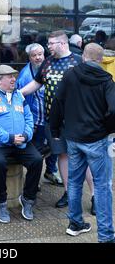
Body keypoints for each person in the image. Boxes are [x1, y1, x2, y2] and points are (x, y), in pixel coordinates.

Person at [20, 31, 95, 212]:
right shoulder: (48, 62)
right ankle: (69, 193)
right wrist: (17, 94)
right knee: (63, 155)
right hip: (53, 121)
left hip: (78, 120)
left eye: (51, 44)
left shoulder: (79, 61)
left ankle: (95, 196)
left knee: (83, 157)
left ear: (62, 43)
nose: (49, 47)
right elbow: (37, 83)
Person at [50, 43, 115, 242]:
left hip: (73, 139)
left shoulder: (69, 75)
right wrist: (107, 130)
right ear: (100, 59)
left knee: (75, 182)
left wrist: (54, 130)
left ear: (84, 57)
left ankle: (75, 223)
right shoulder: (107, 80)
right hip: (96, 139)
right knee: (103, 186)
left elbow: (57, 102)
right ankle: (105, 236)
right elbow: (113, 110)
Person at [0, 65, 43, 224]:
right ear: (0, 79)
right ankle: (1, 203)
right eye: (10, 77)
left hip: (20, 142)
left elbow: (29, 118)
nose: (14, 79)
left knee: (37, 160)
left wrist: (26, 135)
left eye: (14, 76)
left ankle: (27, 200)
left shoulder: (19, 95)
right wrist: (9, 137)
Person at [17, 43, 62, 186]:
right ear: (29, 58)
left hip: (52, 119)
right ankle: (33, 181)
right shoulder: (25, 76)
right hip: (36, 121)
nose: (37, 58)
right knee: (36, 152)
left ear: (44, 54)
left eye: (40, 54)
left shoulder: (51, 68)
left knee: (55, 147)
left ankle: (51, 171)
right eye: (34, 55)